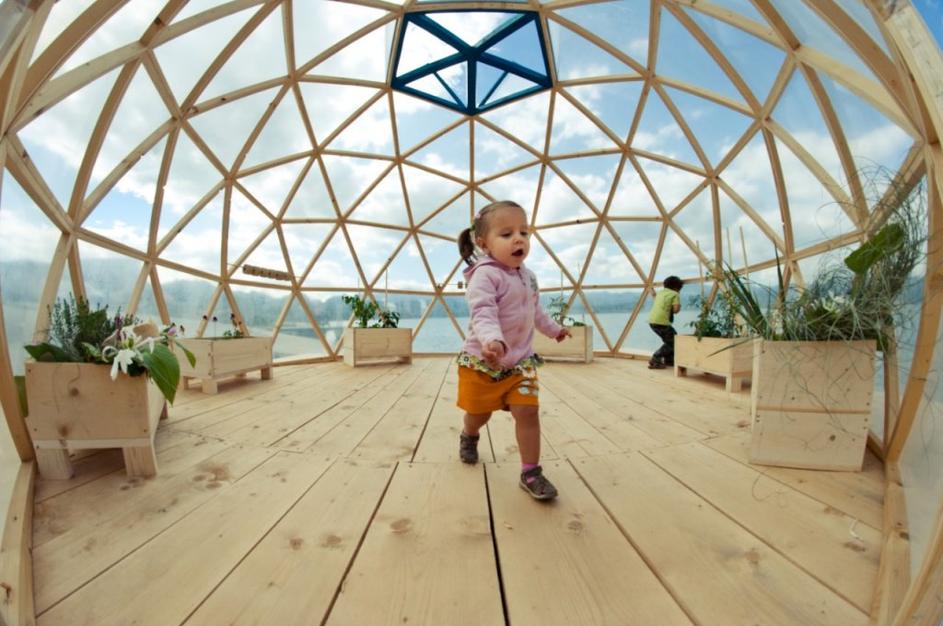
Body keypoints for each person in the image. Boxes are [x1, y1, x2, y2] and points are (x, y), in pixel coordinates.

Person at [455, 200, 571, 500]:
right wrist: (492, 340)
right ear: (483, 244)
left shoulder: (528, 276)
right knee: (478, 414)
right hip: (485, 361)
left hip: (520, 363)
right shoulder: (484, 275)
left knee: (528, 412)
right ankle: (469, 434)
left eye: (524, 232)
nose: (518, 239)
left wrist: (554, 330)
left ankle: (530, 472)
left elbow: (535, 311)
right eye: (507, 234)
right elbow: (483, 311)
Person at [647, 275, 683, 369]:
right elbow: (676, 310)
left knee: (670, 340)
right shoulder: (675, 294)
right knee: (674, 341)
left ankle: (669, 360)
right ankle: (655, 358)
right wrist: (679, 305)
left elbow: (657, 300)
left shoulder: (660, 293)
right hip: (661, 322)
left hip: (652, 321)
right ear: (677, 288)